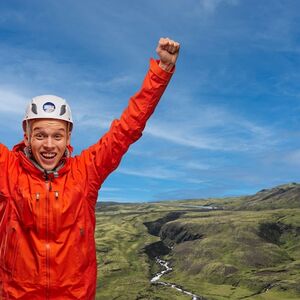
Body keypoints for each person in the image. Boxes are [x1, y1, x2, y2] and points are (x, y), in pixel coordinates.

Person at [0, 37, 180, 299]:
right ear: (26, 136)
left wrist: (161, 71)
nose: (49, 144)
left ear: (69, 137)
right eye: (40, 135)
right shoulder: (7, 170)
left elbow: (128, 128)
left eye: (57, 135)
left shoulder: (86, 172)